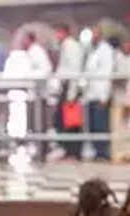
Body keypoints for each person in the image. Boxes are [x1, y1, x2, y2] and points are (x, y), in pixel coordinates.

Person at [52, 23, 84, 160]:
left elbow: (73, 69)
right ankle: (68, 150)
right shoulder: (65, 46)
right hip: (65, 87)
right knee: (63, 121)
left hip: (70, 87)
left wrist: (72, 93)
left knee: (71, 122)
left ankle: (73, 151)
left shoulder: (72, 46)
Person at [84, 27, 115, 161]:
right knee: (94, 126)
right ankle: (97, 151)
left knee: (101, 124)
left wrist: (104, 96)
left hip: (100, 94)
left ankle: (103, 153)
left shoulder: (105, 50)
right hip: (91, 94)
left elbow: (107, 73)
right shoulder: (92, 51)